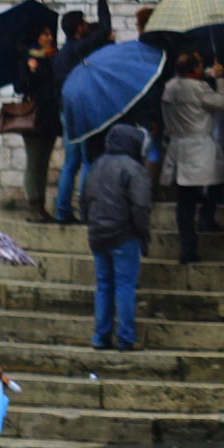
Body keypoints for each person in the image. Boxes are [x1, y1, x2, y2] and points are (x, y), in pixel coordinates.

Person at [79, 122, 151, 352]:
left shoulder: (96, 165)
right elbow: (141, 206)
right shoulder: (134, 169)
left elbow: (84, 199)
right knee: (124, 286)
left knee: (104, 286)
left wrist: (90, 223)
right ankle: (126, 338)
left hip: (98, 235)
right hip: (123, 236)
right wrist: (143, 234)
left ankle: (101, 337)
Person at [160, 52, 224, 263]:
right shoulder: (200, 89)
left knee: (185, 203)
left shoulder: (170, 87)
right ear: (195, 69)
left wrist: (208, 74)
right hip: (200, 147)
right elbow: (222, 103)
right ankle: (207, 217)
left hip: (179, 147)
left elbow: (190, 82)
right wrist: (220, 80)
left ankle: (187, 247)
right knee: (217, 185)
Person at [52, 0, 114, 223]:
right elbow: (105, 29)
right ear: (79, 28)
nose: (88, 25)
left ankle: (63, 210)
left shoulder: (60, 54)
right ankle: (86, 209)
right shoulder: (80, 48)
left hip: (65, 111)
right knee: (88, 159)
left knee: (70, 163)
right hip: (83, 110)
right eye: (84, 22)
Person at [13, 24, 62, 223]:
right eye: (45, 33)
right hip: (33, 117)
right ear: (36, 36)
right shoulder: (26, 59)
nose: (49, 37)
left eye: (50, 34)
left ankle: (41, 205)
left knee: (44, 162)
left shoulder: (52, 57)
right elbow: (19, 87)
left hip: (51, 116)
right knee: (34, 162)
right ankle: (34, 205)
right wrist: (29, 70)